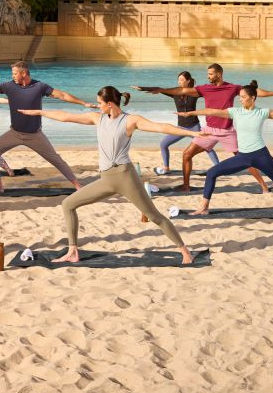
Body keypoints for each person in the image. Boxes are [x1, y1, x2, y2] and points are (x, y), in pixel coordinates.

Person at [19, 86, 207, 265]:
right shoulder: (97, 118)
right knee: (68, 204)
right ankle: (73, 251)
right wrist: (39, 113)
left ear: (110, 103)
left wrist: (191, 133)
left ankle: (184, 251)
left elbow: (161, 127)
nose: (97, 106)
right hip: (106, 179)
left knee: (155, 216)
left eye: (100, 102)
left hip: (125, 177)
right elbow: (67, 116)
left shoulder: (130, 120)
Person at [133, 63, 273, 193]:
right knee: (187, 154)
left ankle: (263, 187)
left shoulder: (233, 88)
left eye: (211, 74)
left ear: (219, 74)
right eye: (208, 74)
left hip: (227, 132)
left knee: (247, 161)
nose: (208, 77)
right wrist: (157, 89)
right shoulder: (204, 89)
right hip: (209, 130)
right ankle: (186, 186)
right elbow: (181, 90)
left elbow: (255, 92)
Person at [181, 80, 273, 218]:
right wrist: (191, 113)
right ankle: (204, 208)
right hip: (243, 157)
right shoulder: (235, 112)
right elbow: (211, 111)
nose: (240, 100)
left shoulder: (263, 112)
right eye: (239, 97)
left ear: (252, 98)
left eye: (243, 97)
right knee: (212, 173)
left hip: (261, 156)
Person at [0, 61, 95, 194]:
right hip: (14, 133)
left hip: (34, 135)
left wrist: (83, 103)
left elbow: (62, 95)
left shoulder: (40, 86)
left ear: (24, 73)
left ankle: (77, 185)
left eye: (15, 73)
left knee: (56, 160)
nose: (12, 76)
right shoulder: (9, 86)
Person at [146, 71, 220, 175]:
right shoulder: (175, 93)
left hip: (194, 127)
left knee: (207, 146)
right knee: (163, 144)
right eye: (178, 80)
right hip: (180, 128)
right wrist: (144, 88)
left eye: (182, 80)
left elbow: (208, 92)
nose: (179, 82)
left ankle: (218, 167)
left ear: (188, 81)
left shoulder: (194, 93)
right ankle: (166, 168)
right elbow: (160, 89)